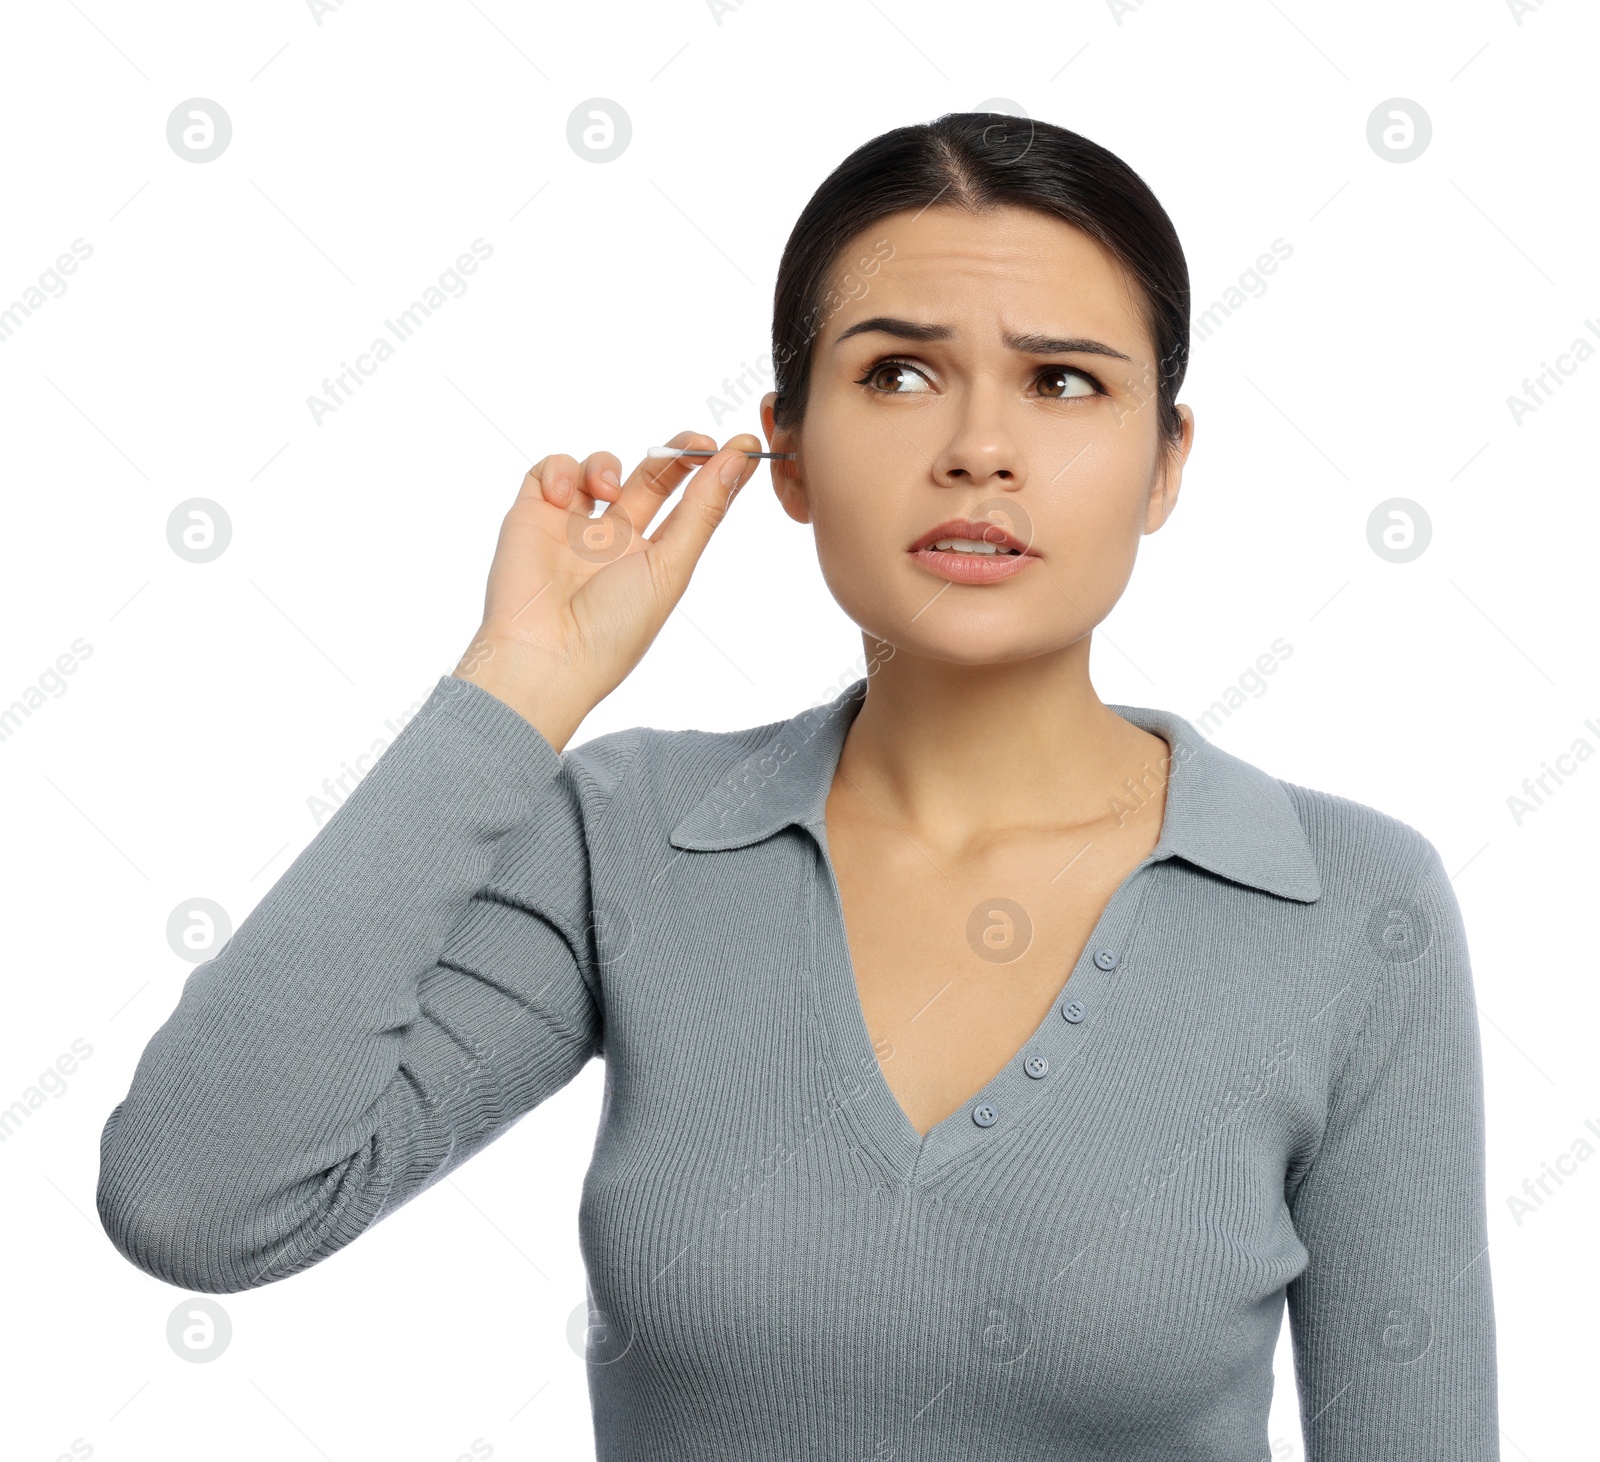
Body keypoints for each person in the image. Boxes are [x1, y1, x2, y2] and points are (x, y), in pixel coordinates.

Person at [97, 112, 1498, 1459]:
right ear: (790, 450)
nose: (979, 448)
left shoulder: (1348, 901)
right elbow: (197, 1201)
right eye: (897, 373)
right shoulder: (632, 840)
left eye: (1064, 381)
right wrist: (518, 688)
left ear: (1164, 463)